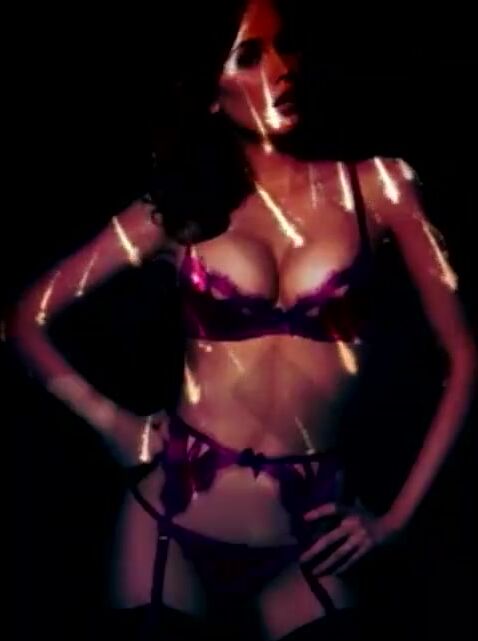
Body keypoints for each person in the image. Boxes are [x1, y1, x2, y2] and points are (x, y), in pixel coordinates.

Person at [8, 1, 477, 639]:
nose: (281, 69)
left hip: (307, 541)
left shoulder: (379, 186)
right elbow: (26, 318)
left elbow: (462, 356)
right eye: (249, 56)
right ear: (209, 92)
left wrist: (394, 520)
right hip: (168, 525)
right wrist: (113, 423)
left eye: (284, 46)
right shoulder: (172, 210)